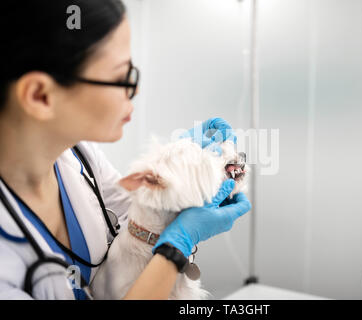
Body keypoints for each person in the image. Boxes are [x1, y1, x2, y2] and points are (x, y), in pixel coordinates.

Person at [0, 0, 251, 300]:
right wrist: (174, 249)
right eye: (120, 77)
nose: (136, 89)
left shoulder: (80, 156)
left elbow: (140, 219)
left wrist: (178, 175)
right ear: (40, 95)